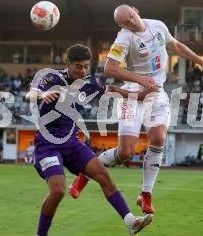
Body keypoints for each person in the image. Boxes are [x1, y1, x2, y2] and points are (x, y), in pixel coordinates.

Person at [70, 4, 203, 214]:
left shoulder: (157, 26)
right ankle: (84, 173)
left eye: (131, 17)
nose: (131, 22)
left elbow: (175, 45)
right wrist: (140, 79)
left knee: (158, 139)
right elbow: (109, 68)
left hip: (156, 93)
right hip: (131, 94)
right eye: (126, 23)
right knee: (126, 152)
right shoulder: (124, 38)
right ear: (121, 26)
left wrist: (202, 62)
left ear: (135, 10)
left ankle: (145, 194)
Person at [25, 44, 155, 236]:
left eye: (86, 66)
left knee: (103, 174)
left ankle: (130, 221)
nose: (83, 70)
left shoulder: (89, 82)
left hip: (71, 143)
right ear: (68, 64)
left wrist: (138, 96)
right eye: (78, 66)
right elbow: (30, 93)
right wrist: (42, 94)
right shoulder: (52, 78)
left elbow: (110, 89)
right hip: (48, 145)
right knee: (58, 190)